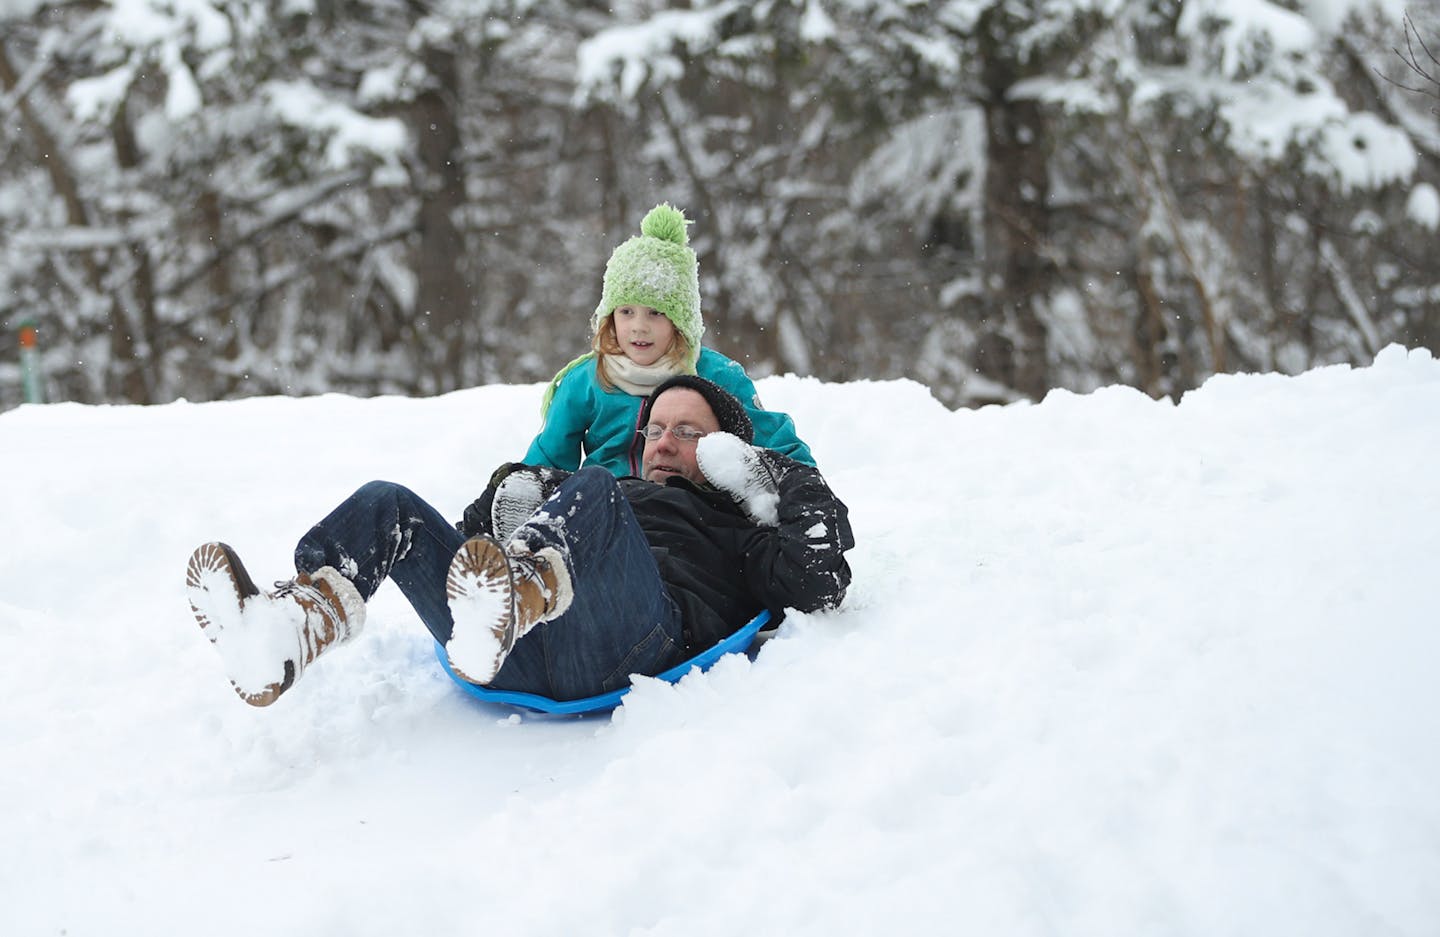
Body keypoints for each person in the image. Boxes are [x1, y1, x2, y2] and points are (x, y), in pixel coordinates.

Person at [185, 376, 853, 706]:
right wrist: (515, 485)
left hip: (636, 635)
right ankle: (293, 628)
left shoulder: (740, 529)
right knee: (390, 503)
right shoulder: (608, 489)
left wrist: (775, 474)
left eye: (689, 431)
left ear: (728, 452)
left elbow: (817, 578)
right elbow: (471, 541)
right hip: (507, 646)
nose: (664, 441)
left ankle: (523, 590)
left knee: (594, 489)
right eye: (655, 430)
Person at [524, 202, 814, 477]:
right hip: (610, 505)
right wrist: (533, 482)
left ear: (680, 323)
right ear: (609, 317)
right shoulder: (587, 380)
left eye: (655, 313)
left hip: (687, 506)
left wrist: (800, 481)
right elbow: (549, 457)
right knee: (579, 485)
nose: (639, 327)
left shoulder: (715, 375)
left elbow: (772, 439)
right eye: (626, 312)